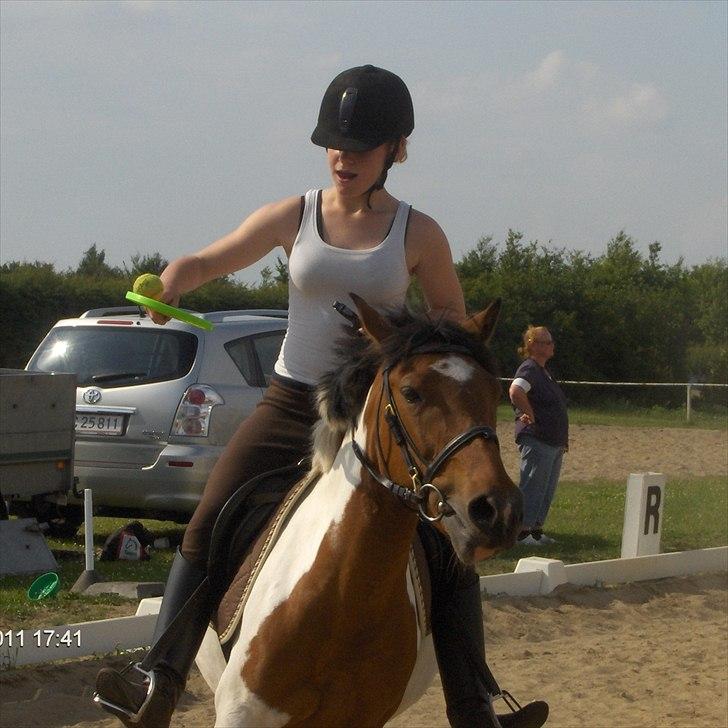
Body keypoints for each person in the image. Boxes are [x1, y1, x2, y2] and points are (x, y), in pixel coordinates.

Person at [93, 65, 548, 728]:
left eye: (360, 147)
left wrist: (464, 362)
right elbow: (212, 259)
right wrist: (172, 282)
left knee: (448, 545)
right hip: (288, 404)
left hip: (379, 419)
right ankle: (158, 681)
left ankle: (473, 707)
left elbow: (453, 327)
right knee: (208, 522)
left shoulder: (419, 233)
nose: (343, 157)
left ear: (395, 149)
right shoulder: (296, 215)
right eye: (334, 144)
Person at [509, 326, 569, 546]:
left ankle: (535, 529)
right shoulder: (530, 369)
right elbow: (516, 390)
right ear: (532, 344)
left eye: (551, 342)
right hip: (538, 438)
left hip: (552, 441)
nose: (552, 345)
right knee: (533, 484)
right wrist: (528, 413)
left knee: (546, 487)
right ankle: (522, 532)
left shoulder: (544, 372)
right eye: (546, 342)